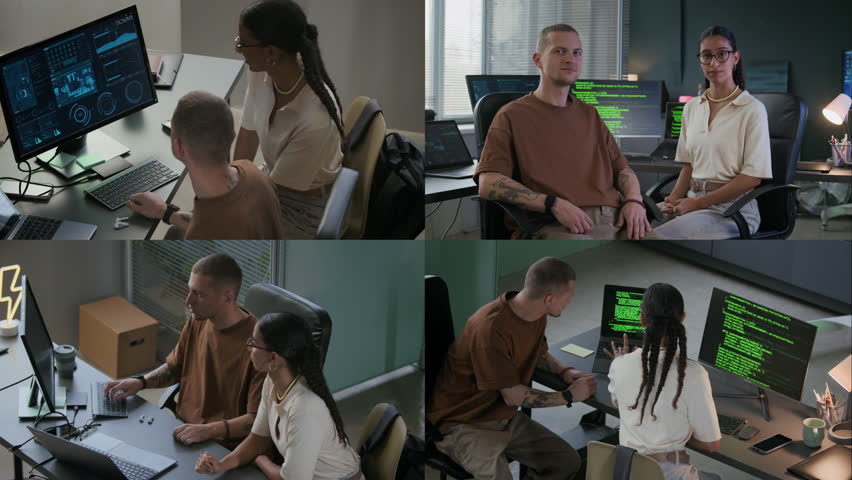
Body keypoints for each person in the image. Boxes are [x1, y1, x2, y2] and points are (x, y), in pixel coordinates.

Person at [476, 24, 654, 240]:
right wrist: (552, 204)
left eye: (576, 52)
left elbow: (624, 171)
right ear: (538, 60)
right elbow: (487, 183)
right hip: (559, 225)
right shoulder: (512, 115)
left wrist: (634, 201)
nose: (571, 59)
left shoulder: (590, 114)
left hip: (617, 220)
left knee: (669, 256)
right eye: (560, 51)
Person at [427, 257, 597, 480]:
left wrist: (564, 371)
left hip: (501, 416)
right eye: (568, 297)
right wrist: (568, 396)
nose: (570, 301)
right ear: (549, 299)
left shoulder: (534, 313)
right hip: (462, 424)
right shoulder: (489, 329)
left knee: (565, 462)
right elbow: (513, 396)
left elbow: (538, 352)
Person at [104, 253, 265, 449]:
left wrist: (208, 430)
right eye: (190, 290)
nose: (189, 300)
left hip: (221, 446)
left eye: (199, 294)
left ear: (228, 297)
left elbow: (255, 422)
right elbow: (175, 368)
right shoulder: (198, 320)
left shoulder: (259, 346)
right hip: (182, 429)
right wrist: (141, 382)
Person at [194, 313, 362, 480]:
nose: (249, 348)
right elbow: (257, 439)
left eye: (254, 343)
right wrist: (221, 465)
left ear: (273, 358)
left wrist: (261, 460)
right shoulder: (272, 382)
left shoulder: (304, 408)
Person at [233, 0, 347, 239]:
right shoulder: (262, 71)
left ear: (271, 52)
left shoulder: (314, 119)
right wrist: (232, 183)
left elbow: (270, 195)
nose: (238, 49)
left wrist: (224, 201)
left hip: (302, 206)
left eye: (242, 44)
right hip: (274, 179)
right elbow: (247, 134)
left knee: (217, 225)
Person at [654, 26, 772, 239]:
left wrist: (696, 203)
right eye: (706, 56)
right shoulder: (692, 108)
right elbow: (689, 166)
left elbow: (752, 178)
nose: (714, 63)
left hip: (732, 210)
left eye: (722, 54)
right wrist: (671, 201)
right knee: (630, 225)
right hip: (692, 200)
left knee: (654, 237)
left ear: (735, 58)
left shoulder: (752, 109)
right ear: (700, 60)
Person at [127, 90, 285, 239]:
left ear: (179, 147)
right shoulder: (252, 171)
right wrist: (165, 212)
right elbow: (212, 223)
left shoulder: (202, 234)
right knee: (175, 232)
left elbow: (208, 228)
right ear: (232, 136)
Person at [605, 283, 721, 480]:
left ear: (642, 319)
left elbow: (618, 403)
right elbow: (711, 444)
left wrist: (620, 361)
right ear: (682, 319)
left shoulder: (620, 365)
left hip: (627, 471)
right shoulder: (694, 375)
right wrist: (680, 429)